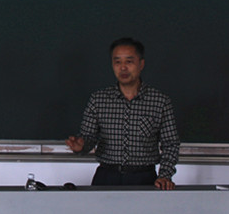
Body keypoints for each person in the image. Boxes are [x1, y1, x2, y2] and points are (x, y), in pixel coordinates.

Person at [65, 37, 180, 190]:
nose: (123, 68)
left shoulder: (160, 101)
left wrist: (165, 175)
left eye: (129, 61)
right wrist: (81, 146)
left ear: (141, 64)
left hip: (144, 177)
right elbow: (88, 137)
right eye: (117, 62)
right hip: (106, 176)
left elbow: (170, 143)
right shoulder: (98, 99)